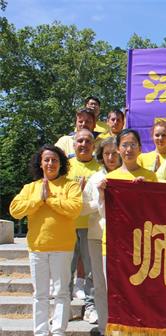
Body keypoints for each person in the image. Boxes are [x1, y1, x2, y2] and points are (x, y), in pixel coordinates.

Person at [10, 145, 82, 336]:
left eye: (55, 160)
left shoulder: (70, 186)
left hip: (62, 247)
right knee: (40, 294)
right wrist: (38, 199)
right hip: (37, 247)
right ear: (40, 163)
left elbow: (74, 209)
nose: (51, 164)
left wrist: (49, 198)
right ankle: (40, 335)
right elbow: (15, 210)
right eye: (47, 160)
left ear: (61, 163)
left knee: (60, 292)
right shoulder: (30, 188)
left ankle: (58, 334)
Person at [98, 129, 158, 336]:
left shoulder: (150, 176)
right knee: (118, 294)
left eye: (133, 144)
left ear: (140, 149)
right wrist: (102, 192)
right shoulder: (110, 179)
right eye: (124, 145)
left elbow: (158, 211)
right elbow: (101, 212)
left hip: (142, 244)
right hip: (113, 245)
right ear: (118, 149)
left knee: (139, 293)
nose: (129, 149)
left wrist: (145, 192)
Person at [80, 137, 121, 336]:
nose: (111, 157)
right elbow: (82, 208)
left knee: (119, 286)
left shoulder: (127, 176)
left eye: (115, 153)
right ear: (101, 156)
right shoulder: (95, 177)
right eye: (107, 154)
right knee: (100, 285)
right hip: (97, 237)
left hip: (122, 238)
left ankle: (121, 330)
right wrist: (101, 199)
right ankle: (106, 330)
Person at [65, 129, 101, 324]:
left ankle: (90, 307)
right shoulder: (65, 167)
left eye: (88, 141)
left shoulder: (99, 168)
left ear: (93, 146)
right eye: (80, 141)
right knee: (66, 269)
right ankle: (64, 307)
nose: (84, 144)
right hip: (67, 226)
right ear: (74, 144)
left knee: (91, 270)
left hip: (91, 226)